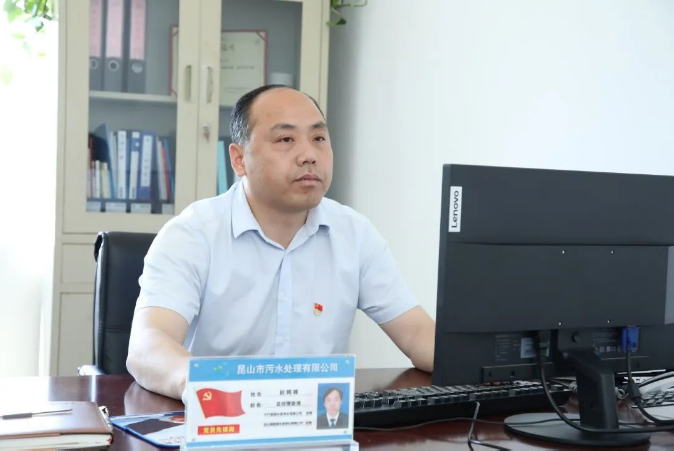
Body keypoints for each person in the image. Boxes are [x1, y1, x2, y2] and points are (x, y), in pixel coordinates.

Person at [126, 85, 436, 401]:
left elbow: (417, 333)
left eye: (319, 138)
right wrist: (211, 389)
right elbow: (148, 346)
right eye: (286, 139)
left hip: (317, 421)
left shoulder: (354, 234)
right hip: (220, 417)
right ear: (239, 160)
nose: (309, 155)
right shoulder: (192, 235)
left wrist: (470, 364)